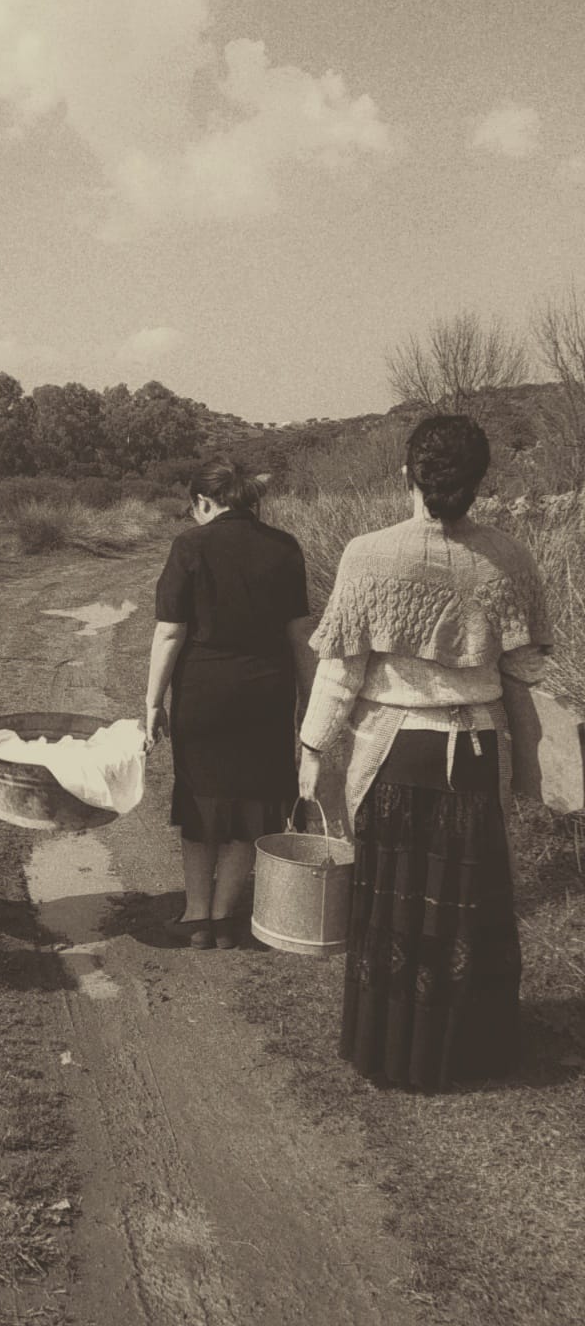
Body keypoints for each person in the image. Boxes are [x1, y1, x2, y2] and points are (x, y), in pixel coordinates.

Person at [298, 416, 551, 1092]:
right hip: (476, 754)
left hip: (394, 756)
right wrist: (530, 766)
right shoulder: (509, 557)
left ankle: (391, 1048)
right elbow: (524, 676)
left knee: (393, 907)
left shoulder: (367, 555)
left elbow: (341, 669)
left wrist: (313, 748)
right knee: (467, 905)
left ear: (409, 473)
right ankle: (470, 1050)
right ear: (479, 482)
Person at [146, 461, 311, 949]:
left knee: (202, 802)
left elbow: (170, 631)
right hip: (268, 691)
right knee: (254, 804)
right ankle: (224, 916)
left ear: (203, 502)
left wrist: (152, 703)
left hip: (205, 692)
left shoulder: (190, 545)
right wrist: (308, 703)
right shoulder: (284, 547)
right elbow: (300, 632)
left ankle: (196, 914)